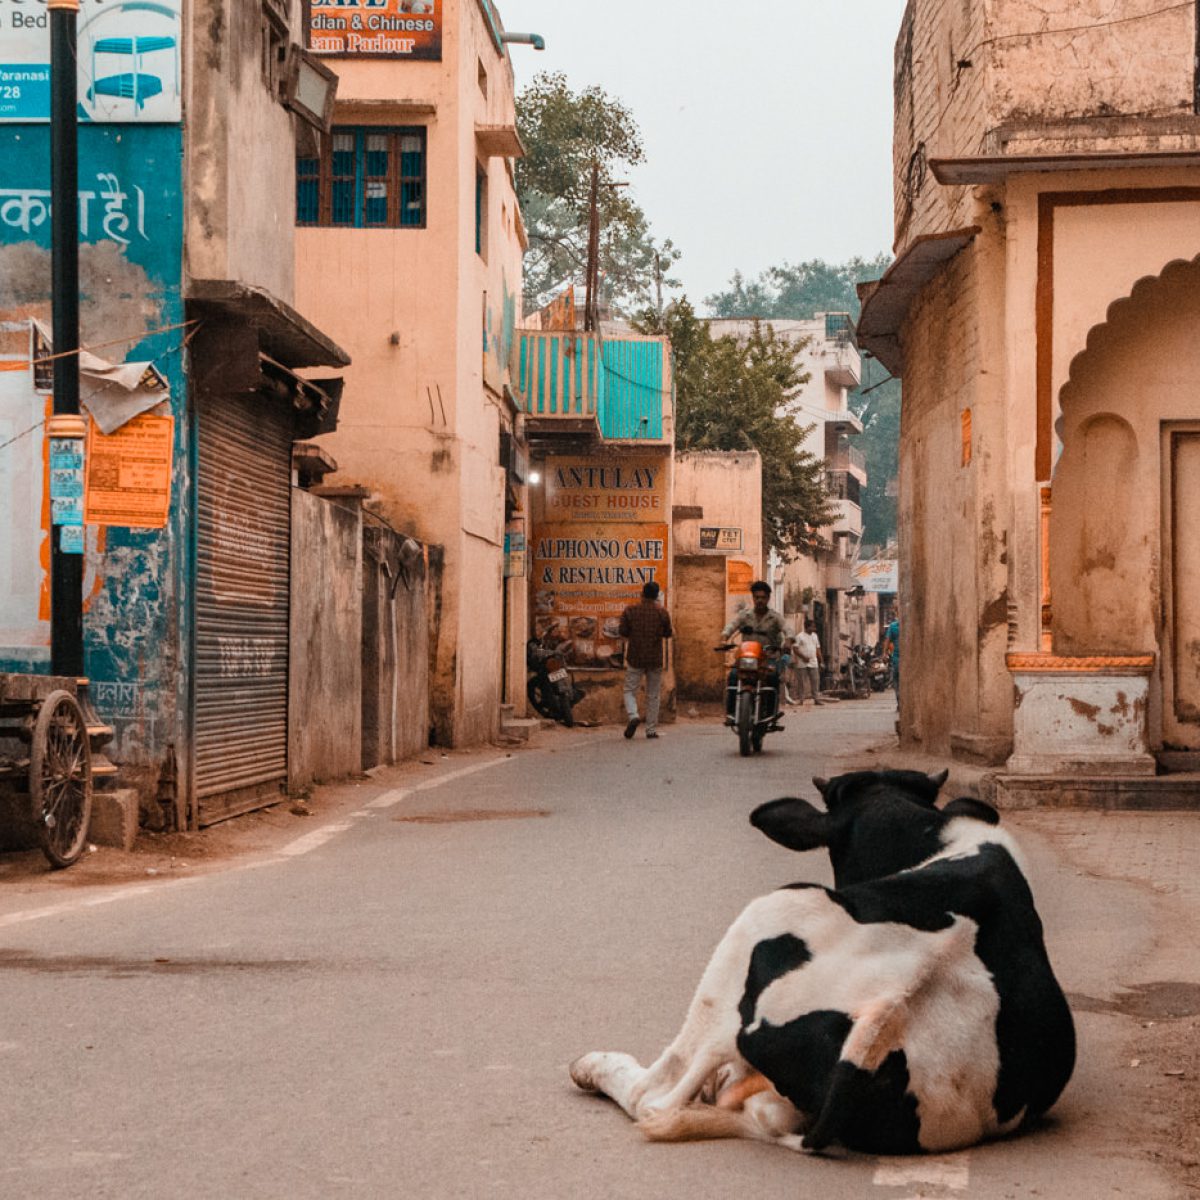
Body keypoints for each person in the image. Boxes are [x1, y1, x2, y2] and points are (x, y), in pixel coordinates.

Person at [720, 580, 791, 721]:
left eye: (763, 597)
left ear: (768, 598)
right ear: (753, 598)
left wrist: (788, 641)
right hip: (747, 657)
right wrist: (724, 637)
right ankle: (731, 712)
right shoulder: (745, 615)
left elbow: (788, 629)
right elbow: (731, 626)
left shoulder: (775, 617)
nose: (760, 600)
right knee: (733, 676)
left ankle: (772, 713)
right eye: (757, 597)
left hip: (767, 658)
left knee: (773, 678)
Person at [618, 581, 673, 740]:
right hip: (655, 658)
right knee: (653, 694)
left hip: (635, 657)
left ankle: (633, 715)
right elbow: (668, 633)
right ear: (656, 596)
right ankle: (650, 729)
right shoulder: (662, 612)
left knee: (629, 690)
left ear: (642, 594)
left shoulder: (630, 611)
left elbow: (623, 632)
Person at [793, 619, 824, 705]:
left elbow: (818, 649)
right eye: (813, 626)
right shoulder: (799, 636)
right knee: (802, 682)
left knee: (815, 681)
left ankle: (816, 699)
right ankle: (801, 699)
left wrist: (821, 661)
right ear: (807, 627)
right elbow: (795, 649)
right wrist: (803, 657)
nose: (814, 628)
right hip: (802, 662)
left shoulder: (815, 636)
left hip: (813, 662)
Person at [884, 610, 900, 706]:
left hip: (897, 659)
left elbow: (887, 640)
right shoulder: (909, 625)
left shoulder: (893, 626)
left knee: (897, 681)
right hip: (901, 660)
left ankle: (899, 701)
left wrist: (884, 654)